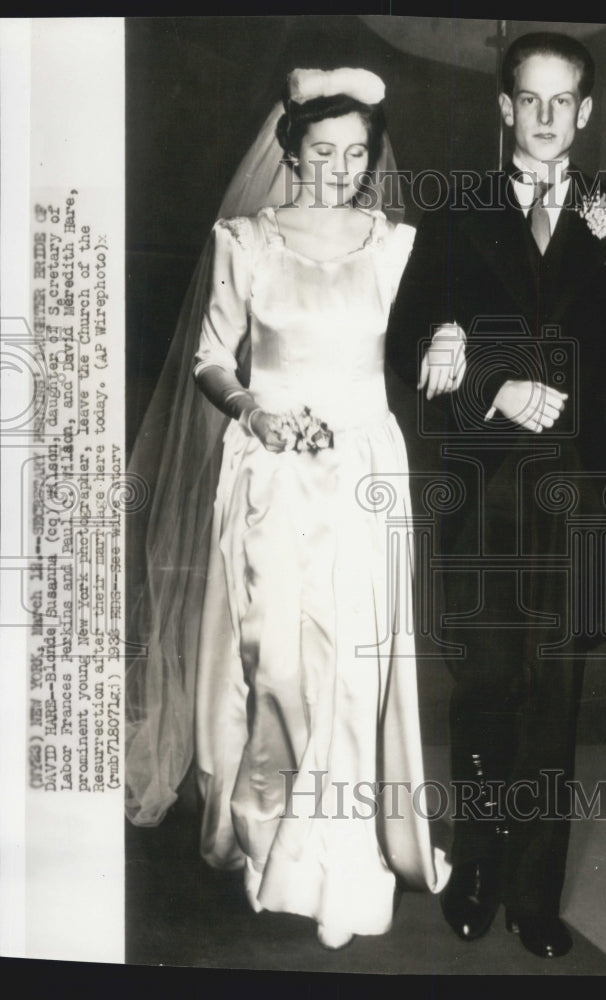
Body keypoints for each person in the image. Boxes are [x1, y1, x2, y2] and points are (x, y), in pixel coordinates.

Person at [125, 67, 449, 952]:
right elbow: (206, 358)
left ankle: (337, 861)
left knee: (354, 666)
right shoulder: (245, 239)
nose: (340, 170)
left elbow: (433, 331)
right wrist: (256, 410)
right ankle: (266, 828)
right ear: (291, 154)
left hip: (365, 471)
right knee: (275, 665)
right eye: (323, 153)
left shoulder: (394, 243)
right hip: (268, 472)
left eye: (356, 154)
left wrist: (453, 335)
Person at [387, 33, 606, 959]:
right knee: (487, 687)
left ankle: (535, 894)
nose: (546, 117)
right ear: (503, 108)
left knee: (559, 692)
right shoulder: (456, 209)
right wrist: (490, 386)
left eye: (565, 102)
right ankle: (474, 867)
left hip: (586, 497)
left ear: (585, 114)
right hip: (484, 498)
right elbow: (403, 354)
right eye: (530, 100)